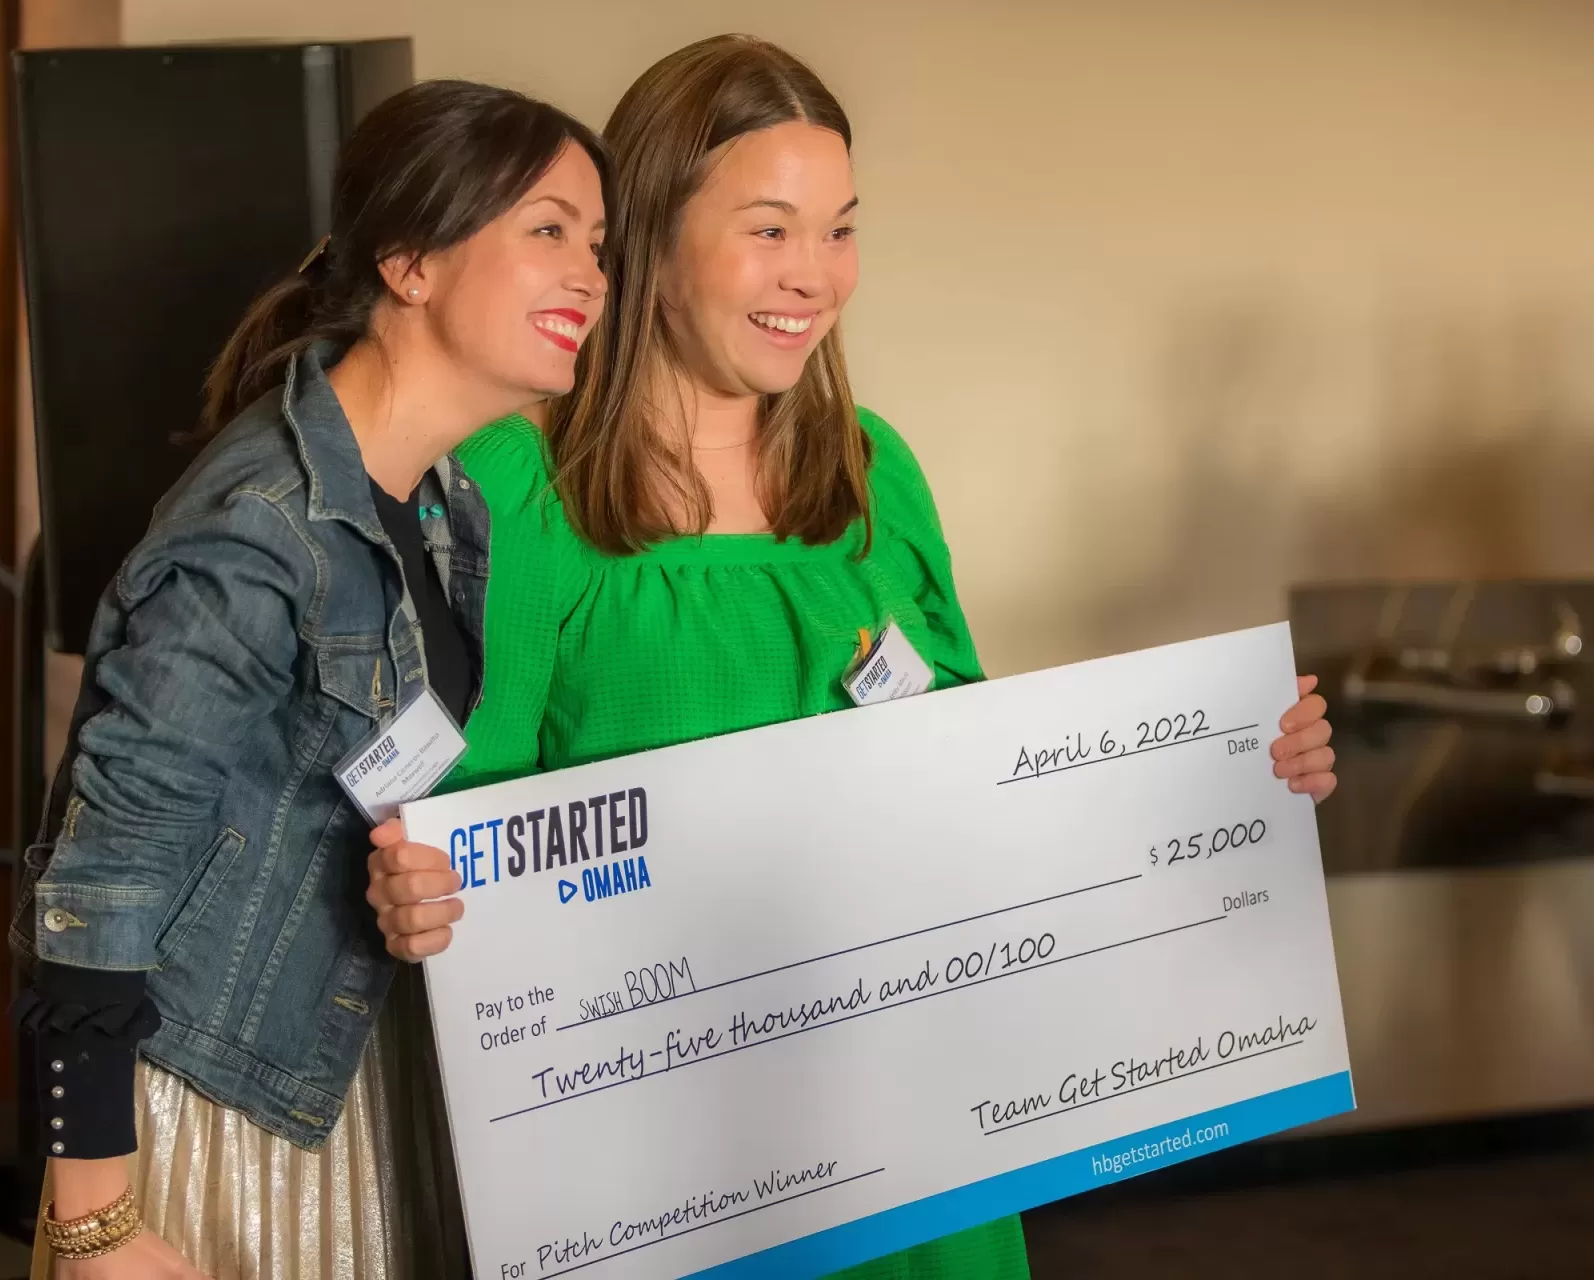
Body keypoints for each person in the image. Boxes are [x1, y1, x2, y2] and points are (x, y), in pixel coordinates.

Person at [368, 33, 1337, 1280]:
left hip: (913, 1134)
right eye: (769, 229)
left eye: (839, 229)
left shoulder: (871, 467)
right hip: (665, 1157)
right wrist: (421, 887)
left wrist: (1229, 769)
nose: (814, 275)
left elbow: (985, 767)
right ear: (651, 238)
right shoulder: (520, 485)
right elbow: (471, 810)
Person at [9, 79, 608, 1279]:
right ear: (411, 262)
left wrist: (411, 888)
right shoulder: (254, 530)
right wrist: (96, 1224)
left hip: (350, 1076)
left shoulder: (449, 506)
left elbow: (328, 800)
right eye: (547, 229)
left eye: (596, 243)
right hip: (209, 1125)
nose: (591, 276)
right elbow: (96, 882)